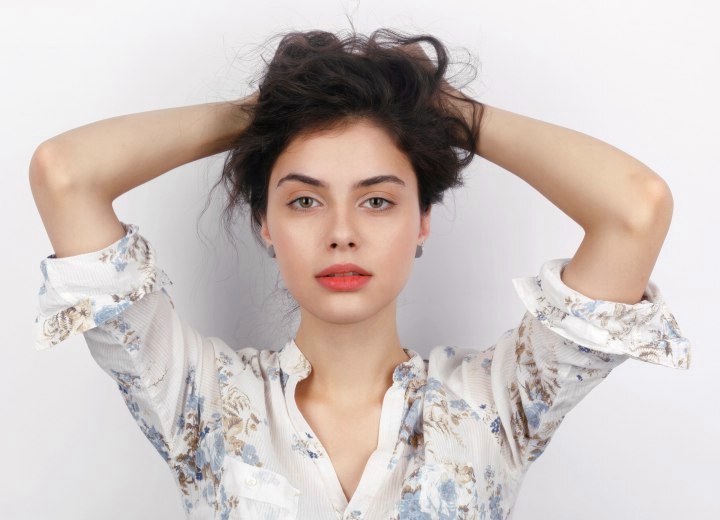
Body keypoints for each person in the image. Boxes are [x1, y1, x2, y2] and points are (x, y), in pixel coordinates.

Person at [30, 28, 692, 519]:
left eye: (377, 199)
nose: (341, 231)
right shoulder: (199, 400)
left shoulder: (496, 404)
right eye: (304, 200)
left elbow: (635, 209)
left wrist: (448, 112)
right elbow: (66, 174)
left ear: (422, 221)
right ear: (266, 222)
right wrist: (264, 115)